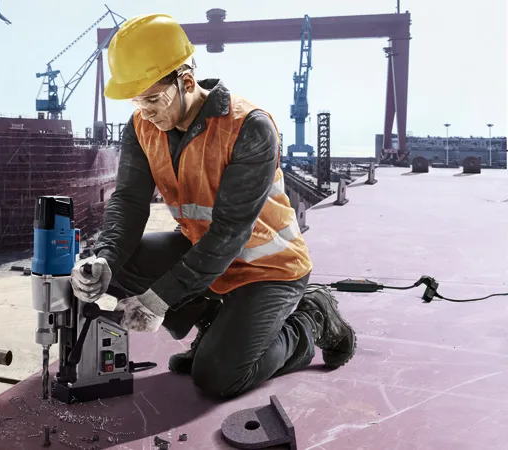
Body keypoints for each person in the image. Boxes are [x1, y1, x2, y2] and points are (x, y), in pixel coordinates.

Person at [70, 13, 356, 399]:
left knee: (217, 378)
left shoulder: (249, 127)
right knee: (121, 265)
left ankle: (311, 320)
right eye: (137, 101)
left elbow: (230, 233)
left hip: (267, 269)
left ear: (186, 81)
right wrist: (104, 259)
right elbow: (128, 201)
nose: (146, 112)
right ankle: (214, 324)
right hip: (205, 259)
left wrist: (158, 300)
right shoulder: (142, 127)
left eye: (153, 98)